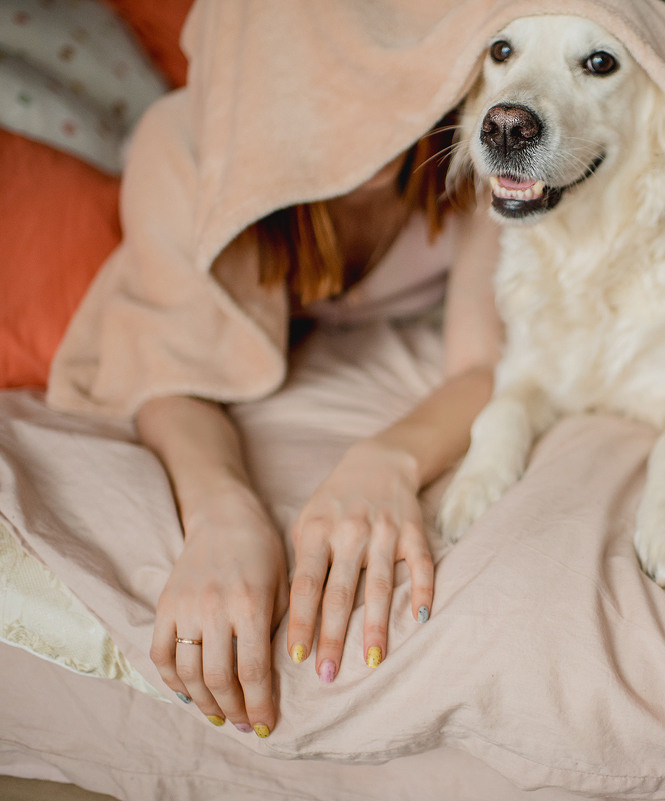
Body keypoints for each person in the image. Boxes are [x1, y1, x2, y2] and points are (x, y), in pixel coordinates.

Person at [137, 125, 504, 739]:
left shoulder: (474, 135)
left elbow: (486, 364)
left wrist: (389, 460)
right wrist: (220, 513)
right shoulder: (187, 144)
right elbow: (169, 370)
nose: (374, 121)